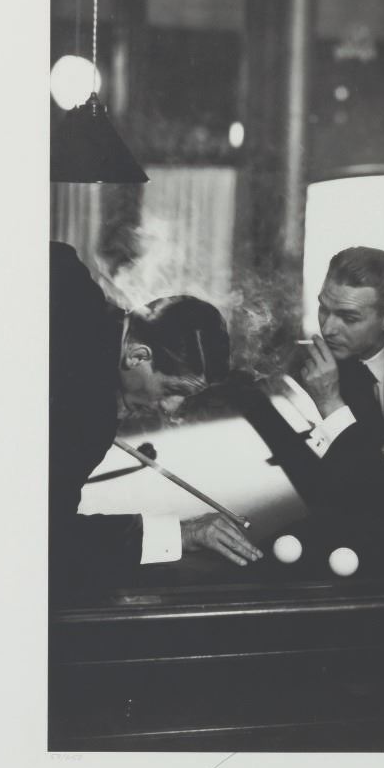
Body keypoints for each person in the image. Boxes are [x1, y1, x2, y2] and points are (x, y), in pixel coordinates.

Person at [49, 241, 262, 603]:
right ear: (137, 355)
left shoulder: (74, 285)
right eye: (172, 389)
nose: (171, 409)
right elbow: (49, 541)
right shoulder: (88, 418)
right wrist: (179, 534)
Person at [292, 247, 384, 566]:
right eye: (323, 309)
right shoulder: (312, 368)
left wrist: (331, 405)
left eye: (348, 318)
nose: (328, 328)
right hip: (350, 543)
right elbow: (334, 487)